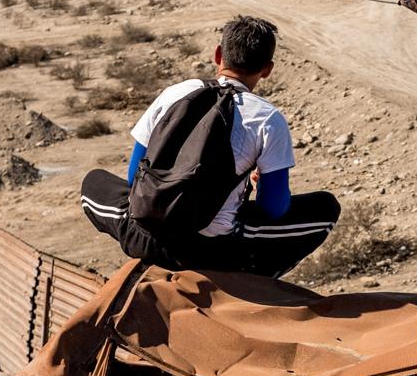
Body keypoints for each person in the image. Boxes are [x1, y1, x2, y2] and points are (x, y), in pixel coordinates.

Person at [81, 15, 340, 278]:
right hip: (211, 250)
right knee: (326, 208)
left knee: (93, 182)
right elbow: (273, 208)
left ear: (218, 55)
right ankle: (259, 279)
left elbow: (133, 175)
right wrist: (259, 183)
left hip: (145, 236)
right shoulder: (267, 119)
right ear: (267, 69)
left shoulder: (176, 92)